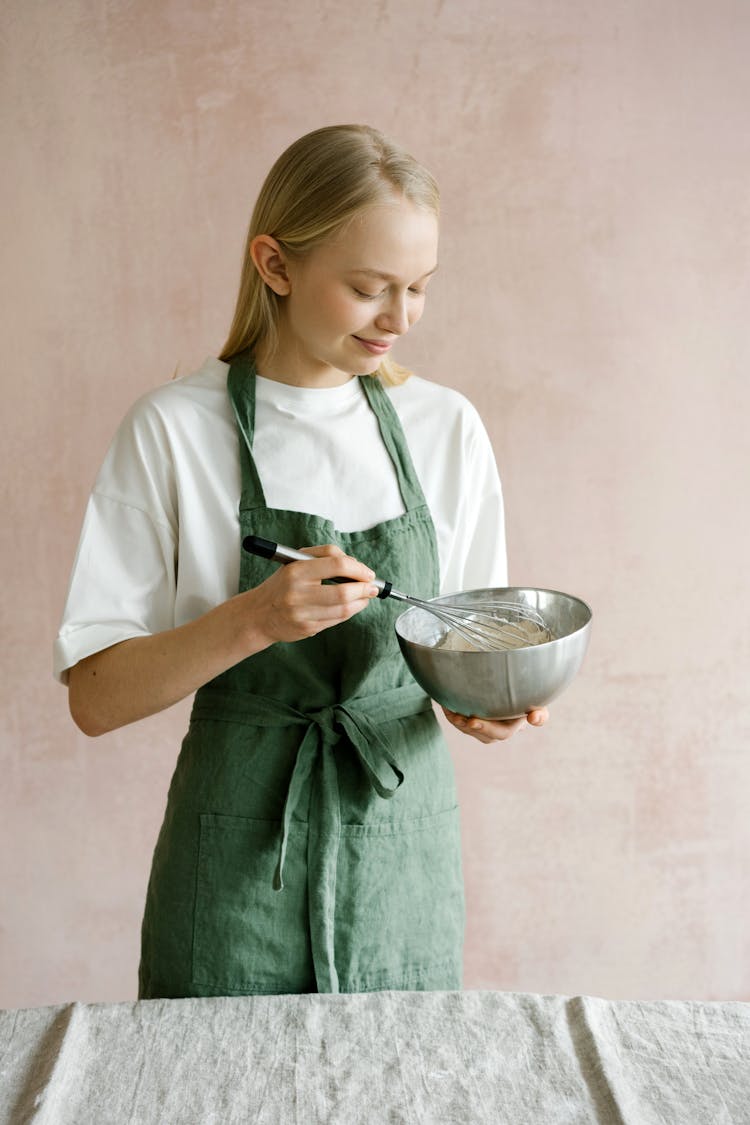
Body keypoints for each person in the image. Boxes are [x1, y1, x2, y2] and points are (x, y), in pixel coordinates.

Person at [54, 124, 548, 999]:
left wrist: (484, 705)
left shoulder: (446, 430)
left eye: (419, 288)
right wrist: (252, 619)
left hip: (403, 854)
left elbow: (464, 650)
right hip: (233, 864)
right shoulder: (173, 429)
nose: (400, 320)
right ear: (275, 266)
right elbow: (95, 698)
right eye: (368, 289)